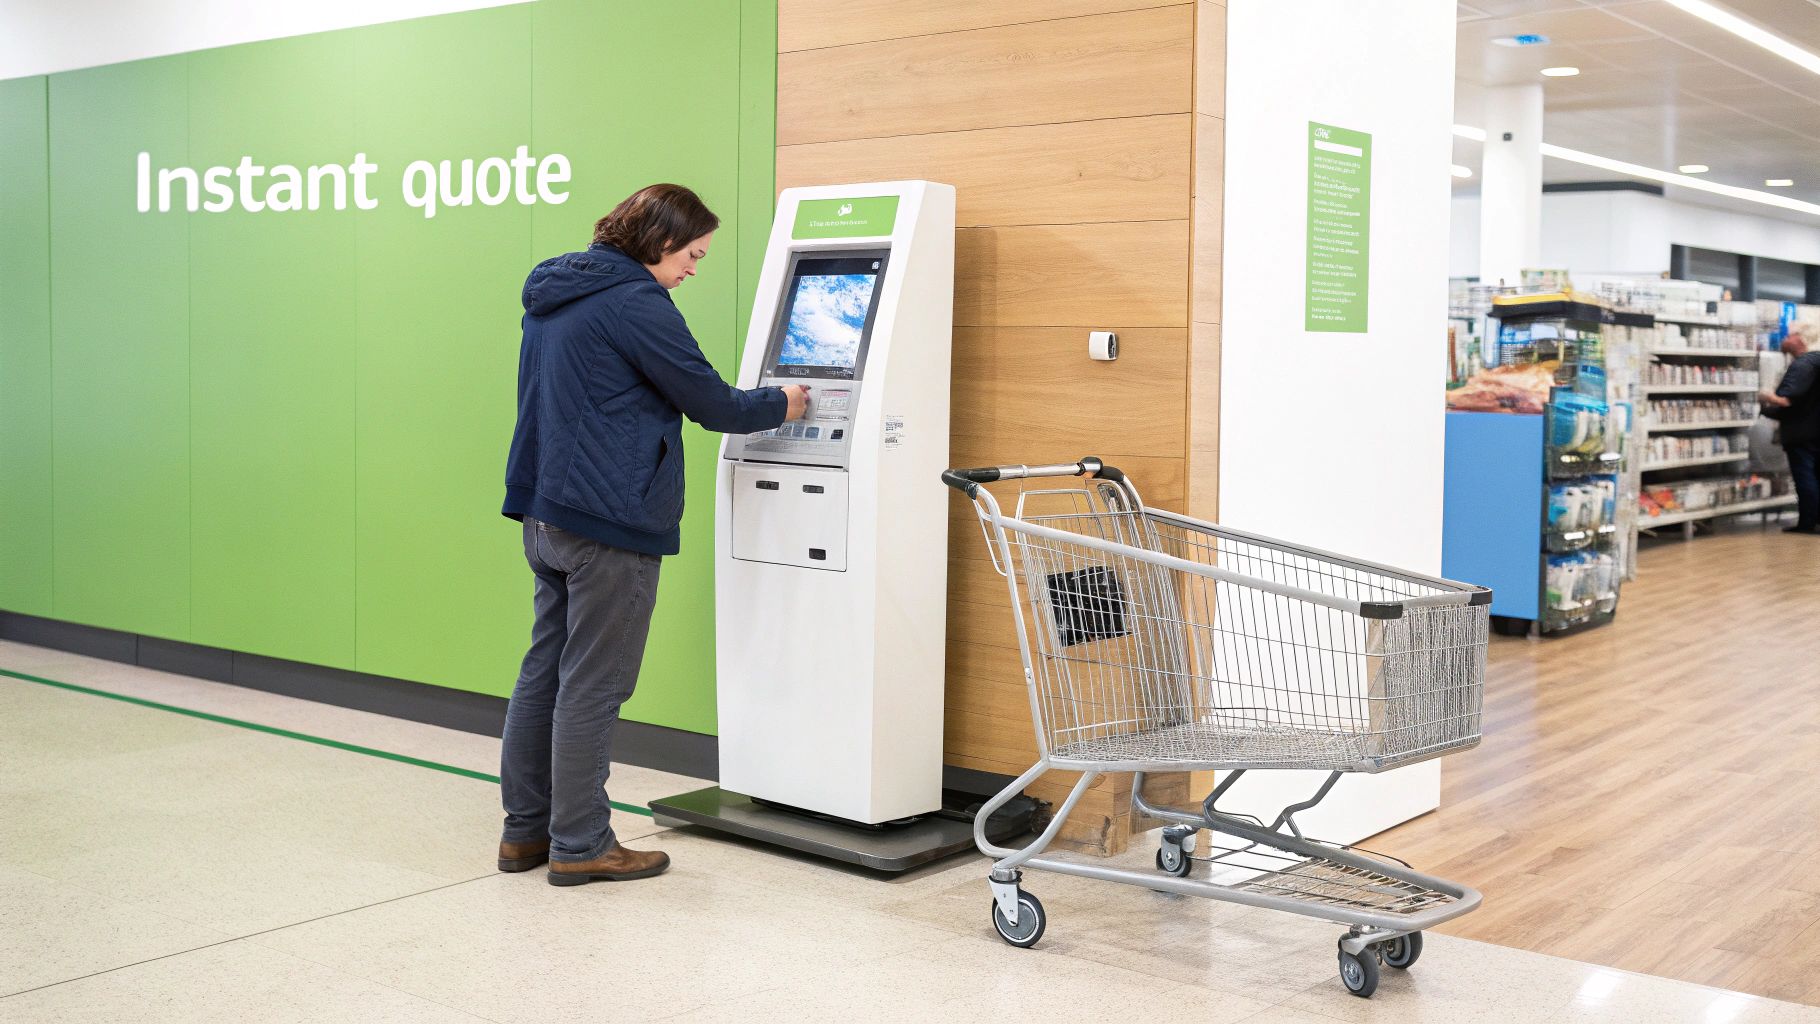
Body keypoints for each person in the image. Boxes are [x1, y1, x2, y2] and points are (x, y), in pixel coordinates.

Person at [497, 183, 809, 885]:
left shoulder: (556, 293)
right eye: (692, 254)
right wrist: (783, 403)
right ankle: (580, 844)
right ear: (659, 242)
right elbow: (710, 401)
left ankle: (525, 833)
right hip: (609, 523)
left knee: (545, 671)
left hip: (546, 515)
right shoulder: (636, 303)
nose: (695, 268)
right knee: (594, 684)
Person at [1761, 322, 1820, 534]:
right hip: (1815, 430)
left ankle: (1806, 523)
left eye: (1791, 334)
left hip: (1800, 432)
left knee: (1805, 478)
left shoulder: (1804, 364)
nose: (1785, 337)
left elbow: (1787, 401)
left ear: (1801, 339)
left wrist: (1765, 397)